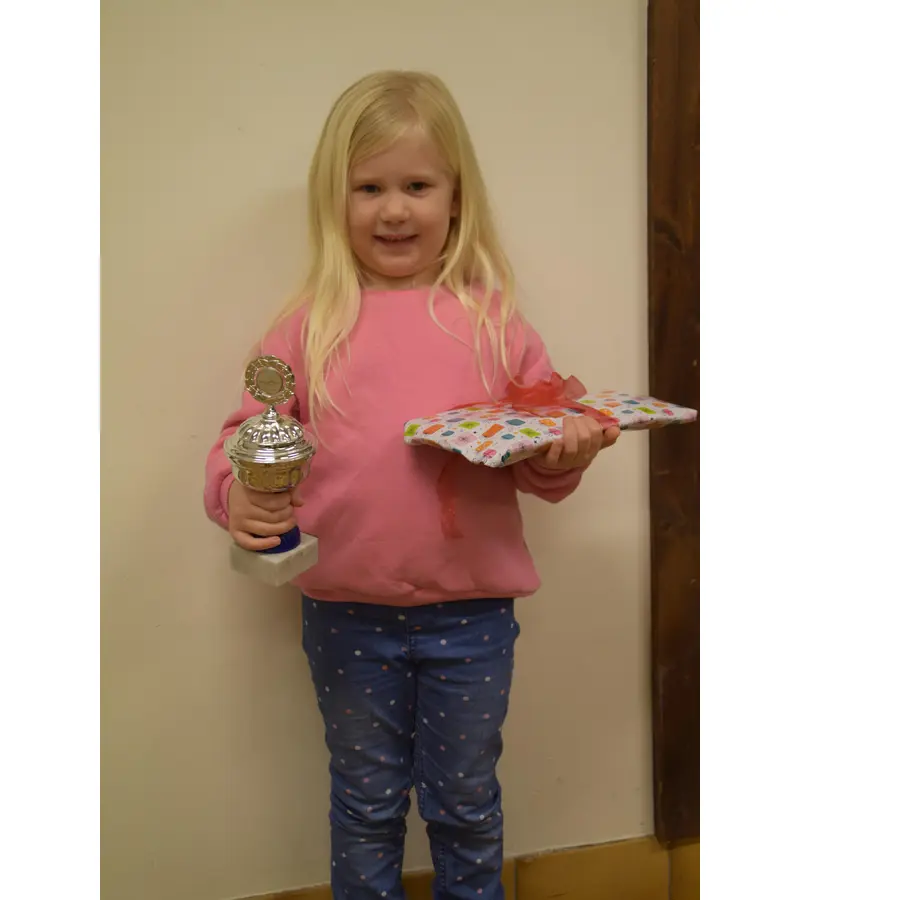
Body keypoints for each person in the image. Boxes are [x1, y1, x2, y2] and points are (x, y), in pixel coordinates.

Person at [203, 70, 620, 900]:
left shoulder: (496, 325)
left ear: (455, 198)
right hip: (345, 612)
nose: (394, 210)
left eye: (417, 186)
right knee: (364, 803)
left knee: (465, 802)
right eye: (370, 188)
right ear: (336, 199)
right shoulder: (305, 328)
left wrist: (564, 453)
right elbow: (245, 441)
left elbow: (536, 457)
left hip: (473, 619)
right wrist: (236, 494)